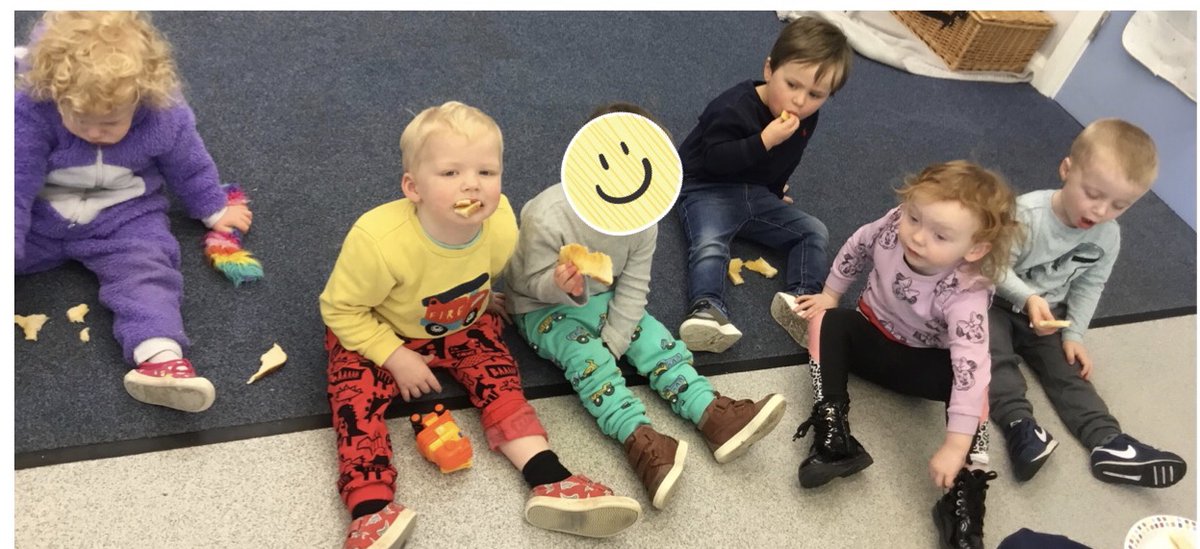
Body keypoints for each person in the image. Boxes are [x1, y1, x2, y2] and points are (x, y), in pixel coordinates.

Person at [319, 101, 640, 549]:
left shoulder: (501, 221)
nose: (472, 183)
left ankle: (549, 477)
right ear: (413, 187)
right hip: (380, 327)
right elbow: (340, 310)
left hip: (462, 322)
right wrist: (393, 356)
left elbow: (482, 269)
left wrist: (484, 297)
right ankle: (370, 509)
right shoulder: (377, 242)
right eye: (450, 173)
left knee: (502, 382)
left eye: (486, 172)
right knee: (354, 399)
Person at [504, 103, 787, 511]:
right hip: (541, 308)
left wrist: (615, 341)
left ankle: (711, 412)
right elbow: (521, 283)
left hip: (603, 296)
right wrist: (559, 286)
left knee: (654, 337)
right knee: (587, 362)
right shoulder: (547, 216)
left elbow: (635, 286)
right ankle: (641, 440)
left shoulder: (642, 219)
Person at [14, 11, 253, 412]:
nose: (94, 133)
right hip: (41, 217)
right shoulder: (31, 108)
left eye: (110, 122)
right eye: (80, 119)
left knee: (147, 272)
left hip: (125, 217)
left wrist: (212, 206)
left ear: (142, 94)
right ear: (55, 94)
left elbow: (189, 163)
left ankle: (160, 358)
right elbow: (15, 181)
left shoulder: (164, 112)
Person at [789, 161, 1021, 549]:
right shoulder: (893, 225)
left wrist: (955, 445)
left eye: (940, 236)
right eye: (914, 217)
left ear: (974, 249)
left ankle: (963, 492)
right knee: (827, 321)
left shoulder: (966, 291)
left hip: (923, 366)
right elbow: (858, 244)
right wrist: (830, 294)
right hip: (871, 340)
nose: (917, 236)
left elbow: (969, 368)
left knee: (976, 382)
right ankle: (835, 437)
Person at [987, 119, 1187, 488]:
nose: (1100, 211)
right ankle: (1021, 427)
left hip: (1049, 315)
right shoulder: (1026, 215)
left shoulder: (1107, 236)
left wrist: (1074, 334)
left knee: (1069, 371)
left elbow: (1090, 285)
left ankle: (1109, 442)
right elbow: (992, 267)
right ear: (1067, 170)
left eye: (1119, 205)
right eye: (1093, 194)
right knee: (989, 355)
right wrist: (1028, 298)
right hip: (994, 303)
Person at [674, 16, 853, 353]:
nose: (800, 101)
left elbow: (790, 156)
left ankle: (802, 303)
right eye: (792, 85)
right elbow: (714, 160)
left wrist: (774, 190)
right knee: (710, 244)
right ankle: (708, 310)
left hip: (754, 192)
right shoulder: (732, 107)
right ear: (770, 69)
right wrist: (764, 140)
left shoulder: (806, 118)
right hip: (705, 187)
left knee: (813, 230)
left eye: (816, 94)